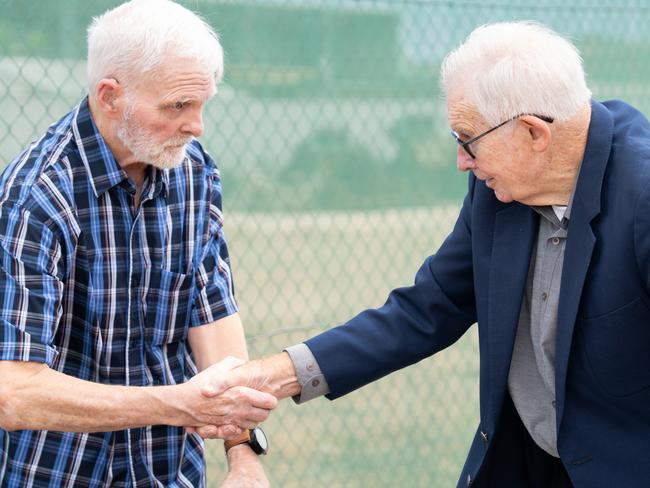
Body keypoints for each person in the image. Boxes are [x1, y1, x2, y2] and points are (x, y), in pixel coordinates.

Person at [204, 21, 650, 487]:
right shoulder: (498, 190)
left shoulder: (641, 196)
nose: (462, 161)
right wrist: (280, 374)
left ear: (533, 133)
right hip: (528, 466)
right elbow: (429, 307)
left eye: (467, 139)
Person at [0, 1, 276, 487]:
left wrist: (243, 453)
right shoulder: (37, 198)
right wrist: (177, 403)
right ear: (110, 96)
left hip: (168, 471)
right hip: (56, 473)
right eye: (177, 107)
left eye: (202, 104)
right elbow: (14, 391)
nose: (197, 126)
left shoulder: (193, 173)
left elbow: (212, 318)